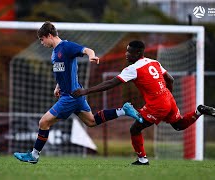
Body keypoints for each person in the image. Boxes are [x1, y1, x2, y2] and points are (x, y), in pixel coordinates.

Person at [72, 40, 215, 165]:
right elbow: (170, 79)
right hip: (167, 97)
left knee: (135, 129)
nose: (126, 54)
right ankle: (199, 110)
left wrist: (86, 91)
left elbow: (111, 83)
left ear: (137, 54)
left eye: (129, 52)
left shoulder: (133, 68)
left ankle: (142, 159)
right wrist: (168, 97)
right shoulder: (154, 62)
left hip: (158, 104)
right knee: (179, 125)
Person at [13, 21, 140, 164]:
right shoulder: (55, 52)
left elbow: (87, 50)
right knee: (91, 121)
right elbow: (63, 72)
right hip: (75, 95)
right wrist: (58, 86)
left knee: (43, 122)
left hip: (70, 97)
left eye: (42, 39)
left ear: (49, 35)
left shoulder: (66, 47)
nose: (42, 43)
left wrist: (91, 56)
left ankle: (34, 155)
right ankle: (123, 110)